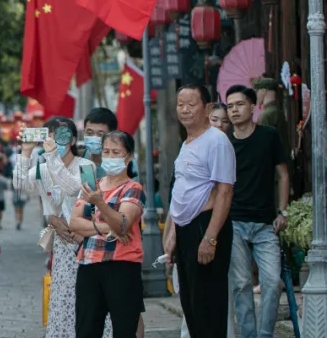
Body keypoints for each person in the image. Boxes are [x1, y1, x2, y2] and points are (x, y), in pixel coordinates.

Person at [15, 117, 108, 338]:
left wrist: (52, 157)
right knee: (63, 301)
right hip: (63, 244)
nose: (55, 141)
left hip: (88, 242)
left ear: (73, 140)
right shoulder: (42, 168)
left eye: (61, 136)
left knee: (91, 301)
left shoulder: (86, 166)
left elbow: (74, 187)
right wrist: (25, 153)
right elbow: (19, 185)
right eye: (49, 135)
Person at [163, 84, 236, 338]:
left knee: (208, 305)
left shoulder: (216, 141)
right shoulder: (187, 142)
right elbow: (182, 191)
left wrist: (210, 238)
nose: (184, 110)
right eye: (180, 104)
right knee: (191, 304)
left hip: (207, 226)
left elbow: (225, 192)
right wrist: (173, 233)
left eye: (191, 104)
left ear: (207, 108)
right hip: (186, 228)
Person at [69, 131, 145, 338]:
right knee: (86, 329)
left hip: (121, 265)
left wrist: (100, 204)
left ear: (128, 157)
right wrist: (106, 228)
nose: (110, 157)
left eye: (116, 152)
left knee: (124, 328)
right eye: (106, 152)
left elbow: (123, 225)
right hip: (88, 263)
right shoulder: (92, 186)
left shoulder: (133, 188)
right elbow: (74, 223)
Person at [226, 87, 288, 338]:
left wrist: (283, 212)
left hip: (265, 223)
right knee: (241, 284)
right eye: (230, 106)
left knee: (272, 283)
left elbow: (283, 174)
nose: (234, 110)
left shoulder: (268, 135)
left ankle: (264, 335)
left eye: (239, 104)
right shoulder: (224, 143)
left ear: (253, 107)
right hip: (234, 222)